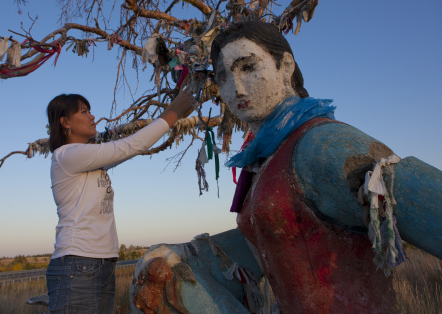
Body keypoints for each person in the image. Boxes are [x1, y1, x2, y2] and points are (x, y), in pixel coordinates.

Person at [130, 21, 442, 314]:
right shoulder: (266, 156)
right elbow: (275, 238)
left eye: (248, 67)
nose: (235, 88)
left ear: (286, 66)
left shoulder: (321, 143)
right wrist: (185, 254)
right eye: (223, 76)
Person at [45, 89, 196, 313]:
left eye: (90, 111)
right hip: (77, 264)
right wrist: (173, 113)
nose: (92, 116)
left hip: (101, 264)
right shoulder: (67, 155)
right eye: (84, 112)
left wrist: (173, 111)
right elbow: (131, 145)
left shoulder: (89, 157)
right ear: (65, 122)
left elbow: (127, 149)